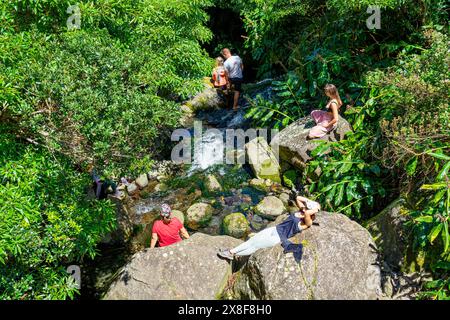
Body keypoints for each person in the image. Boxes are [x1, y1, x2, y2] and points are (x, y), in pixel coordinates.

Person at [218, 196, 320, 262]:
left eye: (308, 208)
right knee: (252, 240)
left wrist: (316, 208)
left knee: (254, 246)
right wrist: (309, 202)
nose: (305, 208)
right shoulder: (302, 210)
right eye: (306, 207)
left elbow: (307, 214)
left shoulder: (307, 222)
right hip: (274, 229)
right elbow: (298, 198)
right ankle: (231, 252)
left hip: (277, 238)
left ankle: (232, 253)